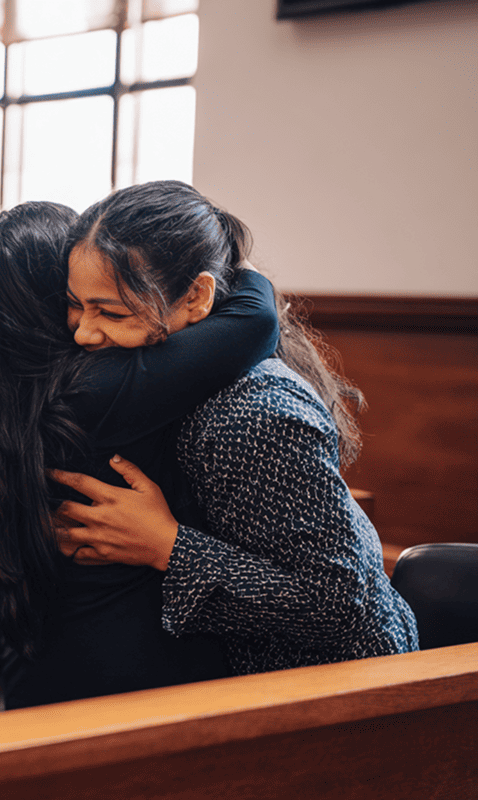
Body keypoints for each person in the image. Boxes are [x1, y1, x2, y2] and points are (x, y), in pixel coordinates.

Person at [49, 182, 416, 677]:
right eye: (76, 305)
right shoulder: (151, 372)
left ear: (197, 296)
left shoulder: (253, 414)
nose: (83, 332)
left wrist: (168, 545)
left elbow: (340, 605)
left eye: (112, 312)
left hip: (335, 689)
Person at [0, 198, 283, 708]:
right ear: (58, 295)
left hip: (29, 672)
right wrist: (235, 262)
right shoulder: (96, 391)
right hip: (135, 677)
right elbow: (254, 322)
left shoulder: (6, 405)